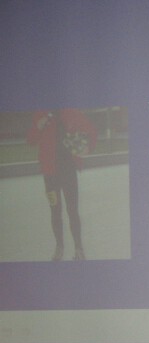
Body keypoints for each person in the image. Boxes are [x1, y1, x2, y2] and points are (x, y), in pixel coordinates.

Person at [27, 109, 97, 261]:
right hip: (50, 174)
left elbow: (91, 131)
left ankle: (79, 248)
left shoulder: (71, 112)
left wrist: (88, 147)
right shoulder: (40, 114)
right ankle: (59, 247)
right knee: (55, 211)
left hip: (68, 171)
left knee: (73, 210)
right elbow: (31, 140)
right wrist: (38, 126)